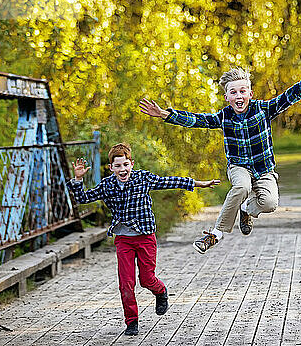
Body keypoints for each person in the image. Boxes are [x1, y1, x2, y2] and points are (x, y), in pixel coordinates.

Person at [139, 60, 301, 253]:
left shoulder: (263, 110)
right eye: (233, 92)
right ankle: (215, 234)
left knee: (270, 204)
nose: (239, 96)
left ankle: (246, 208)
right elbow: (196, 120)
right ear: (226, 97)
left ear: (250, 94)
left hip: (264, 169)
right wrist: (166, 114)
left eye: (242, 91)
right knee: (241, 187)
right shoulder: (223, 117)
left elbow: (286, 98)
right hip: (238, 167)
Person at [67, 143, 219, 336]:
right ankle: (132, 322)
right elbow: (83, 198)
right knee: (126, 283)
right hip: (123, 239)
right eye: (118, 166)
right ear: (111, 167)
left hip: (146, 237)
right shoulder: (107, 185)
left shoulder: (143, 178)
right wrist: (78, 179)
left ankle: (161, 291)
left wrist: (198, 183)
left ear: (131, 164)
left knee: (146, 279)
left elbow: (169, 182)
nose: (123, 170)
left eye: (125, 165)